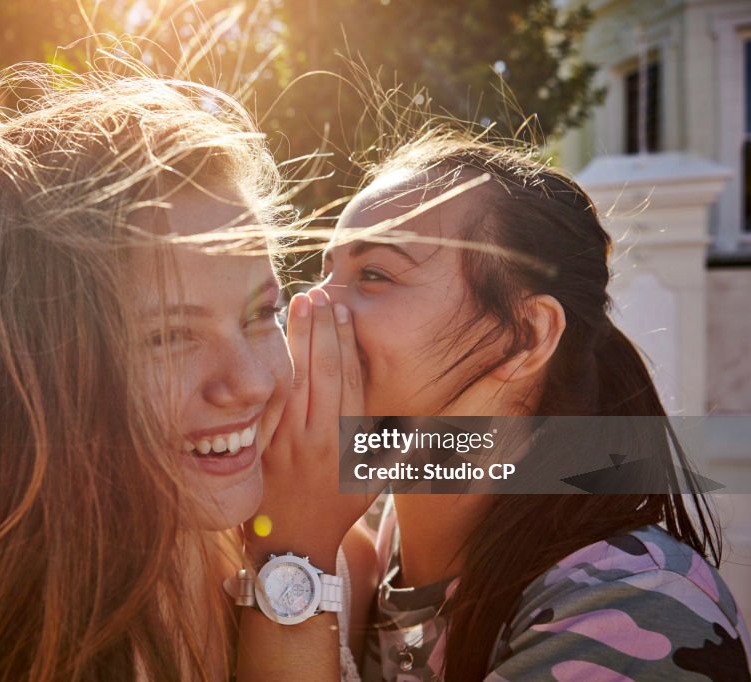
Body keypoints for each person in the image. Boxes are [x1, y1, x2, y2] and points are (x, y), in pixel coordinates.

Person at [0, 62, 297, 681]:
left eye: (262, 313)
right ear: (21, 377)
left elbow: (443, 468)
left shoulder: (288, 547)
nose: (252, 381)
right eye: (171, 335)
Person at [246, 129, 751, 680]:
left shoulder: (631, 606)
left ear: (527, 335)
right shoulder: (374, 538)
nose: (309, 303)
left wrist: (294, 555)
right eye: (327, 272)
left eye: (374, 274)